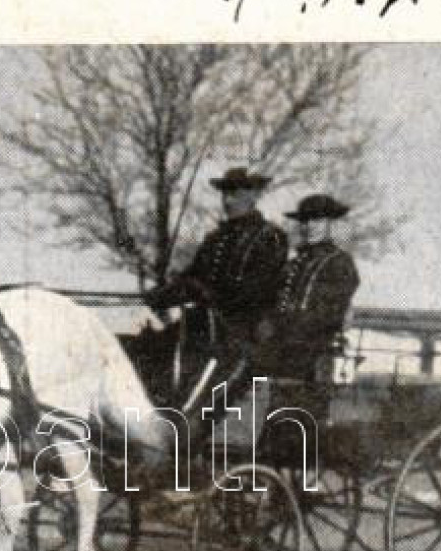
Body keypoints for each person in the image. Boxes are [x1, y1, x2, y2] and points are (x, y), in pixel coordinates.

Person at [141, 166, 291, 390]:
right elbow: (192, 276)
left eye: (236, 194)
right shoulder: (215, 239)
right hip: (206, 325)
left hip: (244, 331)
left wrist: (205, 293)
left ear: (254, 196)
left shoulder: (270, 237)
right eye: (225, 194)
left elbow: (258, 289)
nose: (228, 201)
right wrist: (161, 296)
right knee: (149, 348)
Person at [260, 193, 361, 382]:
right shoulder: (294, 264)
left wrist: (285, 327)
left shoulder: (339, 262)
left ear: (330, 223)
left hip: (315, 356)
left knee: (305, 409)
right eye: (305, 221)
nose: (310, 227)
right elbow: (273, 303)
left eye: (317, 220)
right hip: (282, 354)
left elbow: (328, 314)